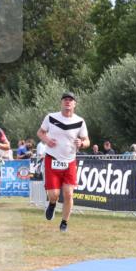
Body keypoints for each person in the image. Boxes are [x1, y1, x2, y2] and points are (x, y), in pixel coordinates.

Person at [37, 92, 91, 233]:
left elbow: (87, 141)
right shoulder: (51, 117)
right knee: (54, 194)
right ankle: (52, 203)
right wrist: (47, 140)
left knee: (68, 194)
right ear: (61, 103)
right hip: (52, 159)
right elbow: (40, 133)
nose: (68, 102)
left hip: (69, 161)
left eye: (70, 100)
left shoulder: (80, 121)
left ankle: (64, 222)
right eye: (65, 100)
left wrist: (82, 143)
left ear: (74, 104)